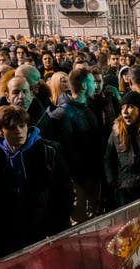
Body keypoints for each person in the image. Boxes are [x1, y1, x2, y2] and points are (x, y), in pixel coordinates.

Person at [0, 105, 72, 261]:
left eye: (21, 125)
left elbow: (64, 192)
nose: (18, 131)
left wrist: (58, 229)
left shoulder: (49, 152)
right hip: (7, 235)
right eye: (11, 127)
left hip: (44, 231)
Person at [49, 68, 103, 222]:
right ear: (85, 86)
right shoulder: (64, 114)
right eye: (93, 82)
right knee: (81, 219)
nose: (96, 86)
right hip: (79, 181)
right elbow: (66, 152)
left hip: (91, 175)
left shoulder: (87, 107)